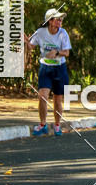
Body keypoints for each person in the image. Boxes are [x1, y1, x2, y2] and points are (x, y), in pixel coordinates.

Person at [23, 8, 72, 136]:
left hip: (59, 69)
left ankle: (57, 125)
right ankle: (43, 124)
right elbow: (31, 47)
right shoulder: (40, 32)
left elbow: (66, 52)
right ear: (50, 21)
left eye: (61, 19)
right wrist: (26, 41)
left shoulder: (63, 33)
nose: (60, 21)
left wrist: (56, 52)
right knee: (42, 96)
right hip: (45, 68)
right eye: (58, 19)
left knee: (57, 99)